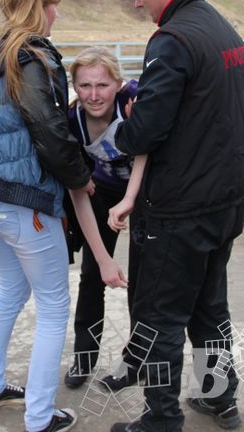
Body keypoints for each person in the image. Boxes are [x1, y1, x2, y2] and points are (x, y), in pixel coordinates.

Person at [105, 0, 244, 432]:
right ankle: (220, 398)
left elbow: (147, 129)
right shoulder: (222, 28)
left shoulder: (172, 38)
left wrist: (124, 127)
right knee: (209, 305)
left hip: (180, 207)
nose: (136, 2)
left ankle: (160, 418)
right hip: (227, 199)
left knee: (160, 315)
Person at [0, 0, 126, 432]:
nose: (57, 12)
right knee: (55, 307)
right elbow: (48, 128)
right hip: (22, 198)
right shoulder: (31, 57)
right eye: (53, 3)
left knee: (12, 291)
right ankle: (40, 417)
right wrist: (82, 176)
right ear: (38, 5)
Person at [62, 47, 142, 389]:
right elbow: (78, 189)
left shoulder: (134, 101)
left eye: (103, 85)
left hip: (145, 194)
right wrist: (103, 257)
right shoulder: (71, 120)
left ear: (118, 84)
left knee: (144, 280)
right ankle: (84, 358)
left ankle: (134, 362)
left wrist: (131, 200)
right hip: (104, 192)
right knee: (93, 275)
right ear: (75, 87)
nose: (94, 95)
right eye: (84, 86)